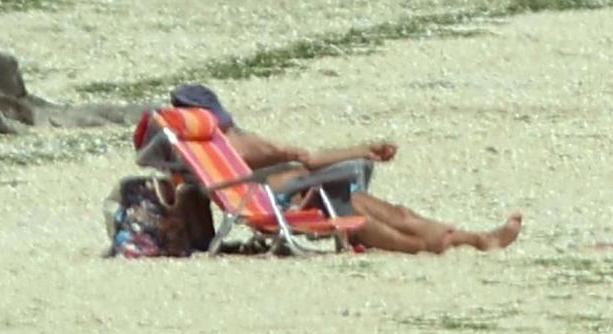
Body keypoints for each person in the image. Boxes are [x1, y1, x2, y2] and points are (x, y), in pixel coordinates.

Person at [151, 85, 521, 254]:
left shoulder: (214, 148)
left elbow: (305, 160)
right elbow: (301, 156)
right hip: (302, 202)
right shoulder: (234, 145)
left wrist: (362, 150)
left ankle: (477, 239)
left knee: (400, 214)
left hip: (313, 190)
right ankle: (449, 244)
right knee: (400, 233)